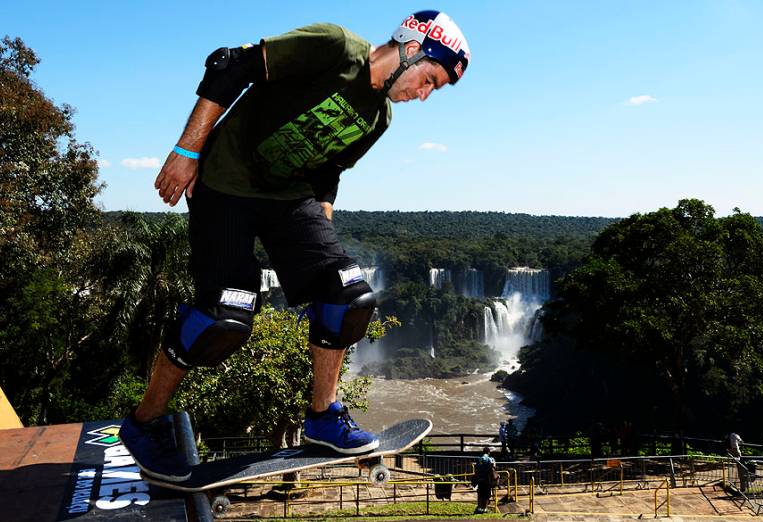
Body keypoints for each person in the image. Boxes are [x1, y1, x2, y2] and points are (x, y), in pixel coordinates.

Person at [117, 10, 471, 482]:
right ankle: (144, 424)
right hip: (224, 187)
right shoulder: (334, 47)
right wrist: (187, 152)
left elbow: (328, 170)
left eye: (434, 89)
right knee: (221, 319)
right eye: (429, 80)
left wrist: (320, 237)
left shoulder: (379, 116)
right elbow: (231, 66)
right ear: (411, 49)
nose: (423, 95)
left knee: (347, 296)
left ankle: (323, 417)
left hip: (288, 200)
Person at [473, 446, 497, 514]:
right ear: (489, 452)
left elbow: (476, 468)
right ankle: (485, 509)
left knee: (480, 494)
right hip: (487, 480)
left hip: (480, 479)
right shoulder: (490, 459)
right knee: (486, 495)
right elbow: (493, 466)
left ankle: (479, 508)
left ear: (483, 452)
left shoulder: (479, 459)